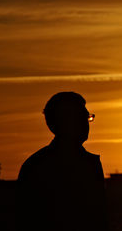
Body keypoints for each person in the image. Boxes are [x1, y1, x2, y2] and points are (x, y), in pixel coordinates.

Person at [16, 92, 107, 230]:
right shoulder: (39, 167)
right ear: (67, 120)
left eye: (87, 117)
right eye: (83, 117)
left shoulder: (35, 164)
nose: (87, 123)